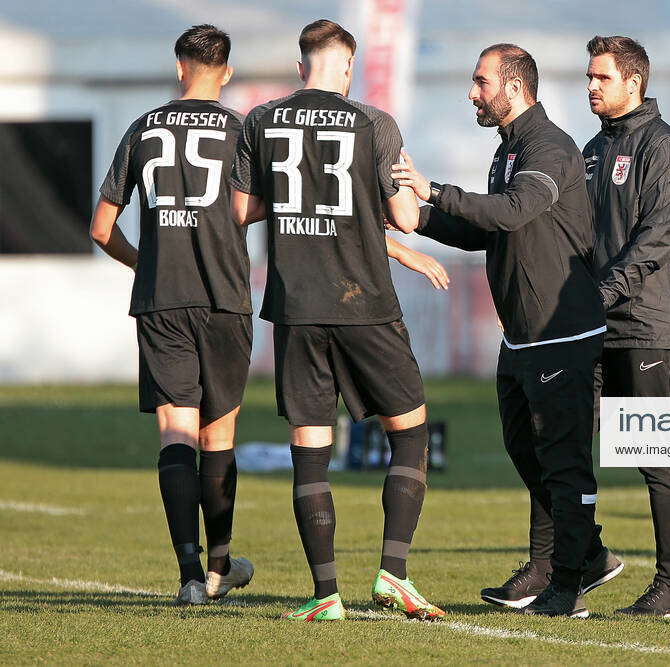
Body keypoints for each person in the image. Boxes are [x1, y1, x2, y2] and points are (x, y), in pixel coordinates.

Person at [392, 43, 622, 618]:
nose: (473, 92)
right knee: (527, 451)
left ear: (514, 87)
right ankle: (582, 555)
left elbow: (512, 210)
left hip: (562, 334)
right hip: (521, 335)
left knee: (565, 463)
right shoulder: (508, 150)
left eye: (481, 82)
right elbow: (490, 230)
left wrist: (434, 191)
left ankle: (565, 586)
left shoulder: (549, 146)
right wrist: (420, 217)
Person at [230, 19, 444, 622]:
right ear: (347, 68)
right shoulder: (374, 123)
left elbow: (243, 211)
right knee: (409, 429)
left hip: (297, 307)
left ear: (303, 67)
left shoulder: (263, 120)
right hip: (364, 303)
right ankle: (392, 574)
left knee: (310, 445)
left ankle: (326, 595)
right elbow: (403, 215)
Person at [90, 24, 255, 605]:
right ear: (226, 72)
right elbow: (247, 209)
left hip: (162, 301)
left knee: (175, 435)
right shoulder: (242, 130)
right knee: (219, 434)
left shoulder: (141, 128)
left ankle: (187, 575)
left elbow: (101, 229)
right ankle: (219, 567)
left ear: (179, 66)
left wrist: (147, 264)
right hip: (224, 298)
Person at [582, 35, 670, 619]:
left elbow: (659, 237)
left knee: (657, 455)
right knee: (565, 444)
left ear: (635, 81)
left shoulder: (664, 147)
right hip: (589, 327)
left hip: (646, 324)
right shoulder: (591, 151)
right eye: (589, 77)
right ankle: (575, 565)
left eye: (601, 77)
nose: (591, 87)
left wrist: (601, 292)